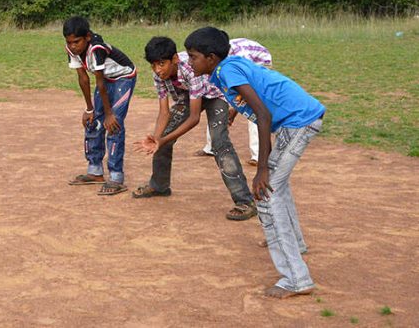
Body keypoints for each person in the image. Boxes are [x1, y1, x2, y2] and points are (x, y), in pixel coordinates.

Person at [185, 27, 325, 299]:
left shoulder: (227, 71)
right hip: (298, 121)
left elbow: (263, 114)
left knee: (265, 194)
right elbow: (261, 110)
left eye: (193, 57)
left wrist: (262, 169)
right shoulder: (226, 69)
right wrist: (266, 163)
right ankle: (296, 244)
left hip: (299, 123)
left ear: (211, 57)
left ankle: (297, 278)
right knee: (275, 188)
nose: (190, 62)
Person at [132, 37, 256, 220]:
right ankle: (159, 185)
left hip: (215, 96)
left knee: (219, 143)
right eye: (153, 65)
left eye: (161, 64)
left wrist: (162, 140)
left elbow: (194, 118)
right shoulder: (159, 75)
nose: (157, 70)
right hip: (188, 98)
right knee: (164, 135)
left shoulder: (190, 69)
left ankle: (245, 201)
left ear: (174, 59)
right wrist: (157, 139)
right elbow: (164, 112)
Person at [63, 17, 137, 195]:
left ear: (87, 37)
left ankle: (116, 177)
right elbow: (83, 78)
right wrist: (89, 109)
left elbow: (100, 83)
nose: (73, 46)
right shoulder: (72, 50)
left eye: (77, 42)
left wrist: (109, 113)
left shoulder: (96, 49)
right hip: (105, 81)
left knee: (114, 125)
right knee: (93, 122)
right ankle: (95, 171)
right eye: (69, 42)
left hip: (123, 78)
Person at [196, 38, 273, 165]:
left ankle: (258, 155)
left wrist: (235, 110)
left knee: (255, 107)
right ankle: (211, 147)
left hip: (259, 64)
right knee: (217, 101)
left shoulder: (240, 55)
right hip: (237, 66)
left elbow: (244, 84)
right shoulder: (216, 56)